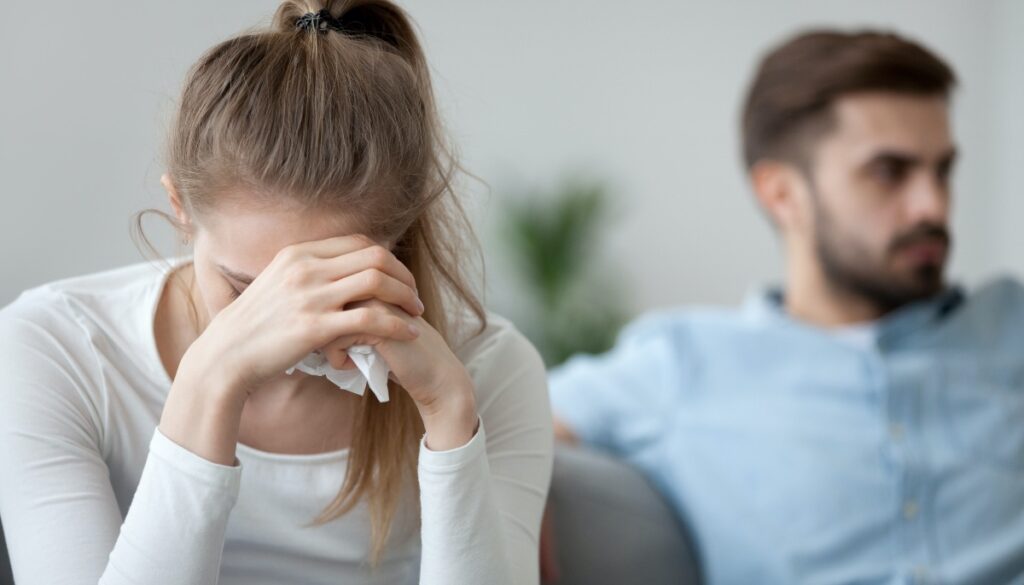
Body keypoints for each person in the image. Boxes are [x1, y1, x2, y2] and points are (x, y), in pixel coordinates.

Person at [0, 2, 553, 584]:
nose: (287, 327)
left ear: (395, 242)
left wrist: (449, 418)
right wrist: (210, 381)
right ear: (180, 209)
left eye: (330, 284)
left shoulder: (491, 370)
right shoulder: (54, 346)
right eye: (244, 287)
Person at [547, 29, 1024, 584]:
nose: (933, 205)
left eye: (942, 170)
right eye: (890, 172)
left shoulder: (1009, 326)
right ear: (781, 194)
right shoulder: (682, 363)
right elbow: (503, 426)